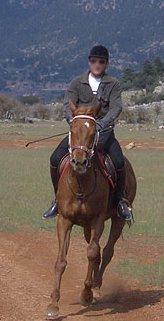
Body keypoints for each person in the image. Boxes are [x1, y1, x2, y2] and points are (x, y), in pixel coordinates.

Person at [43, 45, 133, 222]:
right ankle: (57, 200)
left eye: (101, 61)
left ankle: (121, 201)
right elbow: (66, 105)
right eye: (93, 61)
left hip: (104, 133)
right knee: (54, 159)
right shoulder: (77, 83)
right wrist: (74, 122)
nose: (97, 64)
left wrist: (102, 123)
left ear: (106, 64)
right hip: (79, 134)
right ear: (89, 62)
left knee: (119, 162)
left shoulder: (113, 84)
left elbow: (116, 107)